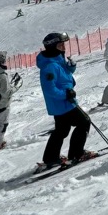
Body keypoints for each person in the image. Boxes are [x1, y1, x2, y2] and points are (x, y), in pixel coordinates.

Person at [36, 32, 94, 168]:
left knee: (62, 130)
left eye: (63, 44)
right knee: (84, 122)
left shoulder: (57, 60)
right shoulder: (49, 67)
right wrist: (66, 94)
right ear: (52, 47)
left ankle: (51, 157)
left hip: (62, 103)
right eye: (60, 45)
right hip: (63, 103)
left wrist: (71, 67)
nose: (64, 47)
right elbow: (49, 89)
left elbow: (63, 75)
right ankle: (77, 153)